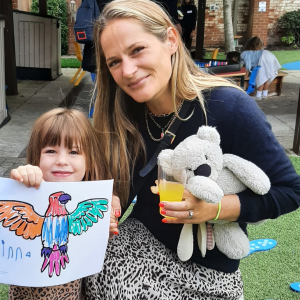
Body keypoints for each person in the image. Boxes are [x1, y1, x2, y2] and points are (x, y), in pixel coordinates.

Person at [87, 0, 300, 299]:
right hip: (137, 243)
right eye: (114, 62)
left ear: (171, 40)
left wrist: (213, 209)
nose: (128, 71)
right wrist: (109, 198)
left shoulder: (228, 106)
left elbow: (290, 191)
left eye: (137, 50)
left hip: (208, 271)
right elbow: (110, 184)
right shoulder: (124, 114)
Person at [8, 108, 120, 300]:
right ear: (36, 158)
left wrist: (105, 230)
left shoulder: (96, 199)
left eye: (74, 152)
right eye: (50, 151)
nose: (61, 161)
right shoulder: (27, 189)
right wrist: (23, 178)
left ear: (90, 162)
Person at [241, 36, 281, 100]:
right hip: (269, 57)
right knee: (266, 78)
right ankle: (265, 94)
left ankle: (258, 96)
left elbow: (247, 64)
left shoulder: (245, 53)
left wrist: (246, 73)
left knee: (261, 78)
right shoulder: (264, 51)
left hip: (262, 61)